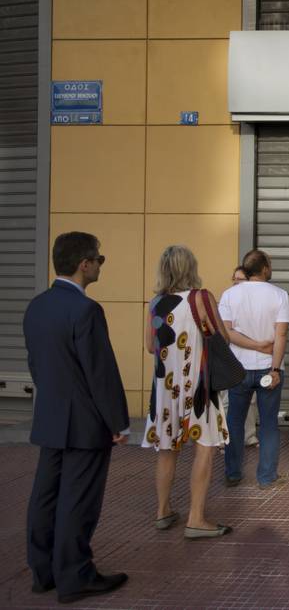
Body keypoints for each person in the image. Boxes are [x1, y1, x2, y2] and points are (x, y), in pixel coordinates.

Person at [23, 232, 130, 603]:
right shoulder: (86, 310)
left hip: (50, 416)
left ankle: (43, 571)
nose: (101, 264)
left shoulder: (37, 306)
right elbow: (100, 373)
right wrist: (117, 421)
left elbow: (36, 365)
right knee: (78, 501)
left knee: (45, 496)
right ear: (84, 264)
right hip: (85, 422)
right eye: (99, 259)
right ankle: (76, 575)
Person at [143, 245, 233, 539]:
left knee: (167, 449)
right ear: (190, 268)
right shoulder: (201, 297)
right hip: (198, 383)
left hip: (165, 387)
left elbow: (149, 346)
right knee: (205, 446)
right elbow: (223, 336)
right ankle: (196, 519)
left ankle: (162, 511)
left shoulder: (155, 303)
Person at [219, 249, 289, 488]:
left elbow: (227, 333)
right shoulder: (280, 295)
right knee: (269, 423)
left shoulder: (229, 295)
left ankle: (232, 473)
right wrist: (274, 368)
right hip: (268, 368)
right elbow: (281, 334)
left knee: (234, 421)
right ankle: (267, 476)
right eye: (269, 264)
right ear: (263, 268)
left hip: (237, 368)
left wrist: (252, 344)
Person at [230, 266, 260, 447]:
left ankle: (249, 436)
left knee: (252, 400)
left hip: (252, 356)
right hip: (232, 356)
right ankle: (226, 439)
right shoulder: (228, 298)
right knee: (228, 401)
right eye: (234, 278)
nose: (235, 282)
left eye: (240, 279)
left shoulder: (255, 302)